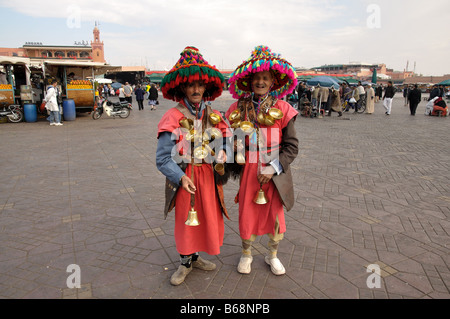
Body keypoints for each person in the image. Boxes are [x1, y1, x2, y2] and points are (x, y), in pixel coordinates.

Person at [156, 46, 230, 286]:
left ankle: (195, 257)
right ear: (182, 88)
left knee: (206, 218)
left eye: (200, 84)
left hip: (208, 176)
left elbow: (226, 142)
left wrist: (223, 153)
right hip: (185, 177)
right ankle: (185, 261)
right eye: (191, 85)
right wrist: (180, 177)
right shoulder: (171, 117)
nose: (196, 89)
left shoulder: (213, 114)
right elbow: (163, 159)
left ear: (206, 87)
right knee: (186, 220)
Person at [226, 45, 299, 276]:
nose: (260, 82)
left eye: (265, 78)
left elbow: (292, 147)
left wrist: (273, 168)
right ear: (249, 81)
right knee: (247, 212)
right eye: (256, 78)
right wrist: (231, 147)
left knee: (274, 214)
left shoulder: (284, 109)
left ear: (273, 81)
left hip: (274, 174)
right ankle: (246, 254)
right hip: (248, 169)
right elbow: (227, 142)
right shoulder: (236, 109)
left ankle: (272, 255)